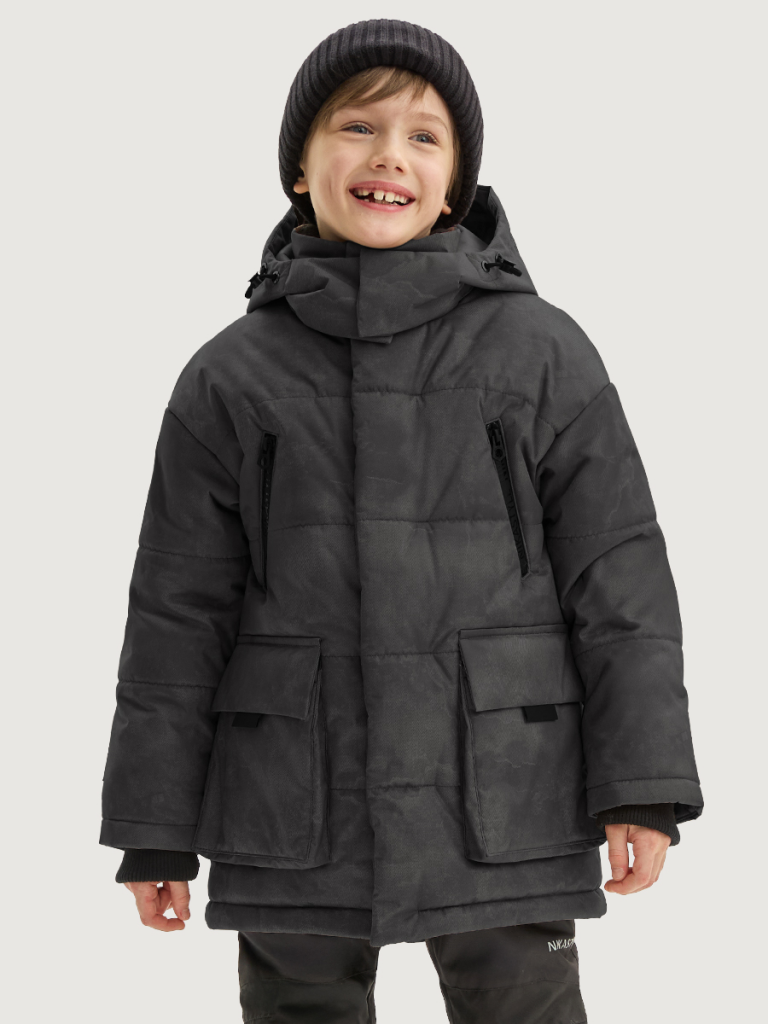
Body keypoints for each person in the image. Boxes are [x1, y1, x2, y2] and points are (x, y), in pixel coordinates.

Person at [100, 18, 703, 1023]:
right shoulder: (228, 377)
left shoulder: (543, 354)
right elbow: (175, 612)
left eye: (425, 137)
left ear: (456, 181)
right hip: (295, 802)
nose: (390, 155)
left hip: (506, 795)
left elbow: (621, 579)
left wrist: (640, 784)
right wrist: (153, 824)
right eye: (358, 127)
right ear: (300, 169)